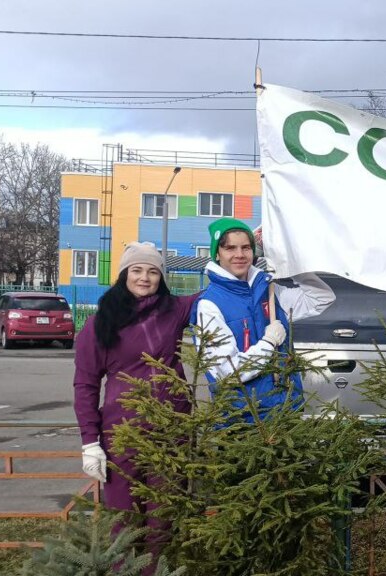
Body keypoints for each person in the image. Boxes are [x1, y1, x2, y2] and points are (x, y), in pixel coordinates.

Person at [73, 242, 201, 549]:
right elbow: (86, 384)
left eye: (153, 271)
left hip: (172, 432)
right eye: (137, 270)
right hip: (123, 434)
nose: (145, 278)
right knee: (124, 521)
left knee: (164, 519)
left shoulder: (176, 310)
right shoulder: (101, 322)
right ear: (123, 274)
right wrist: (90, 443)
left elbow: (221, 294)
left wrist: (252, 254)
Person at [191, 218, 334, 421]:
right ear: (217, 253)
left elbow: (321, 299)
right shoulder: (210, 305)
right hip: (243, 421)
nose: (239, 255)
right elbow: (227, 372)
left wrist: (288, 259)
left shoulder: (270, 291)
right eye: (230, 248)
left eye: (246, 247)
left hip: (287, 412)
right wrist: (268, 343)